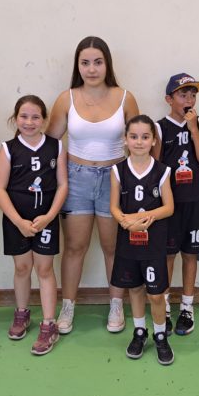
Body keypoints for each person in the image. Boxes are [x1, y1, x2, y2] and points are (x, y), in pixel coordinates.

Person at [47, 36, 139, 334]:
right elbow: (48, 144)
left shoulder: (125, 98)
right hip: (76, 179)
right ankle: (67, 306)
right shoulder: (66, 99)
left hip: (115, 179)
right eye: (85, 63)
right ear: (78, 66)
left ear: (107, 64)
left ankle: (116, 304)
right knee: (75, 247)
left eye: (98, 62)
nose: (91, 69)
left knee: (113, 247)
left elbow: (140, 140)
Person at [0, 95, 68, 355]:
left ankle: (49, 324)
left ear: (44, 120)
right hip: (17, 220)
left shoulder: (56, 146)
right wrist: (18, 221)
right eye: (24, 116)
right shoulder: (8, 149)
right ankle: (22, 312)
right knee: (22, 267)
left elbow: (63, 184)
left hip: (45, 219)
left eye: (36, 117)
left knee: (45, 269)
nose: (29, 122)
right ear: (15, 119)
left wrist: (50, 216)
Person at [110, 115, 175, 365]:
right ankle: (139, 331)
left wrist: (142, 217)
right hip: (128, 241)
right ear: (126, 139)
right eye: (134, 136)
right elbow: (114, 207)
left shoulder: (162, 171)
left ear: (153, 140)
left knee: (156, 294)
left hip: (153, 243)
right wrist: (125, 222)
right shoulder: (118, 170)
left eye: (145, 137)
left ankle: (160, 335)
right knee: (135, 289)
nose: (139, 142)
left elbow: (168, 207)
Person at [152, 73, 199, 336]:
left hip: (196, 199)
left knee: (190, 254)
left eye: (193, 95)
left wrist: (193, 128)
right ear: (169, 99)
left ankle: (187, 306)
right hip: (170, 203)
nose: (189, 100)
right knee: (167, 255)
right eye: (183, 95)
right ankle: (164, 306)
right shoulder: (159, 127)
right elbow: (155, 168)